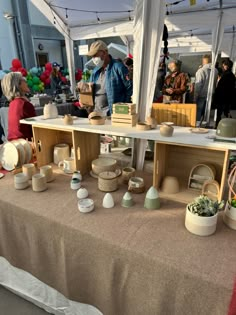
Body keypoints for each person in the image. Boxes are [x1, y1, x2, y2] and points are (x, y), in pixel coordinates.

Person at [85, 40, 133, 116]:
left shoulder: (118, 67)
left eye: (95, 55)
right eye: (92, 56)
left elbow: (130, 88)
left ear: (105, 52)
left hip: (112, 114)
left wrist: (123, 108)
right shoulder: (95, 72)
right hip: (96, 114)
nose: (93, 58)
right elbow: (90, 90)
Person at [1, 72, 36, 140]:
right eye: (23, 79)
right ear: (18, 85)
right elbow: (35, 130)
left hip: (13, 144)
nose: (26, 82)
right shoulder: (25, 104)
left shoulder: (12, 103)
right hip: (26, 145)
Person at [194, 55, 218, 121]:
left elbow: (198, 86)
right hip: (211, 94)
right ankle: (205, 126)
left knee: (198, 112)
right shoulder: (215, 70)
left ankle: (197, 126)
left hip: (202, 95)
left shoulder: (201, 71)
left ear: (203, 61)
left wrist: (195, 97)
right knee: (206, 113)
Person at [214, 59, 236, 128]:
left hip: (222, 98)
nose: (223, 66)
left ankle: (218, 126)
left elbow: (221, 87)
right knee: (226, 112)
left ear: (226, 66)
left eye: (224, 65)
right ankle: (229, 126)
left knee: (220, 114)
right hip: (228, 98)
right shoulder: (232, 75)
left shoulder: (225, 75)